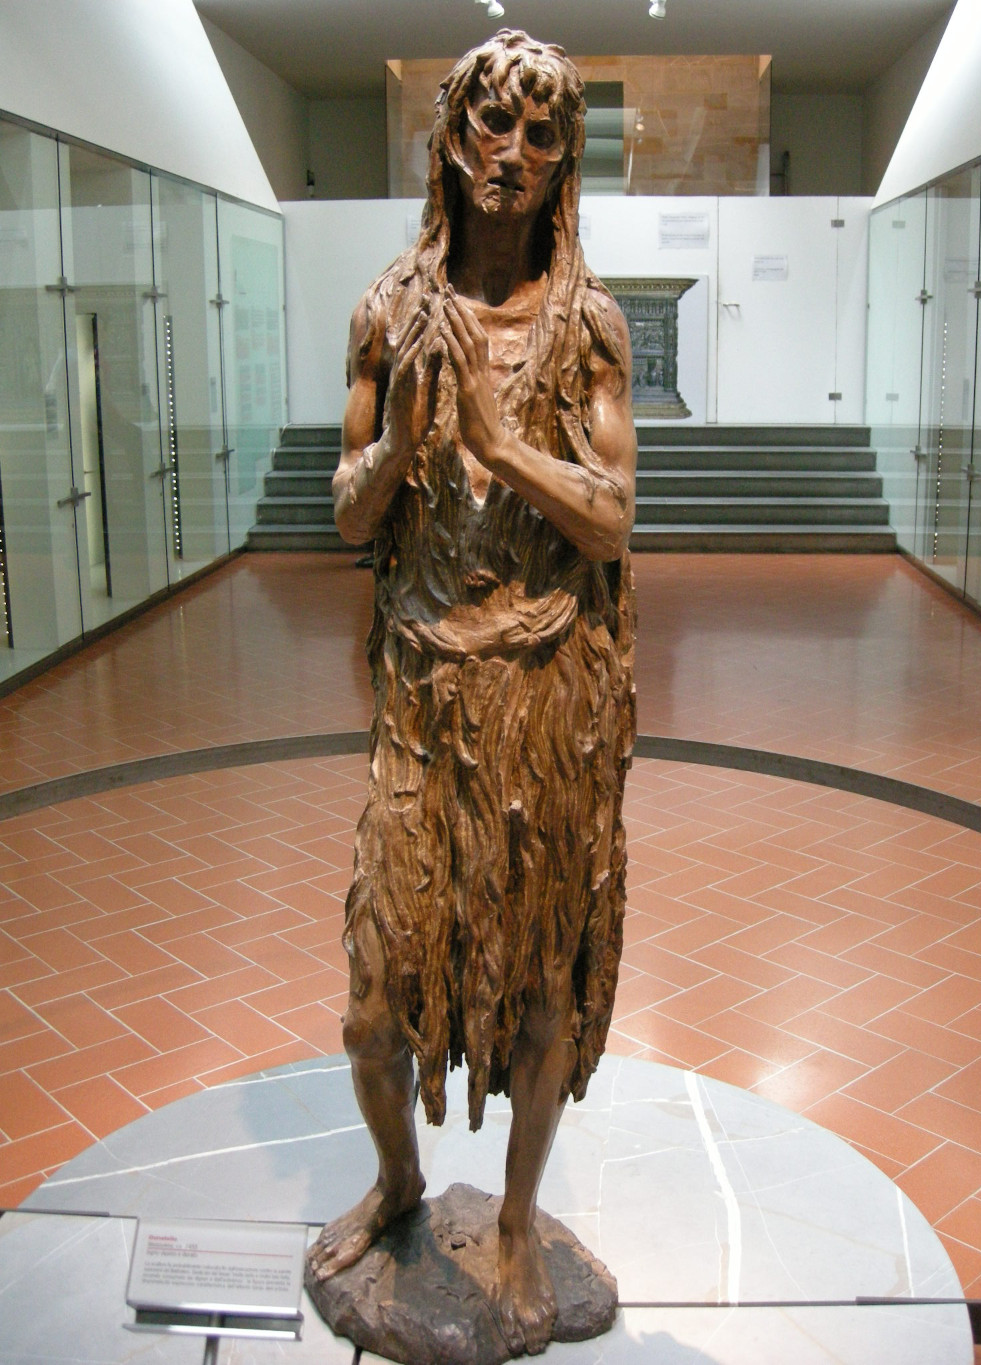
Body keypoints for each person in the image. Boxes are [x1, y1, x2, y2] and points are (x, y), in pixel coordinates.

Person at [307, 30, 637, 1356]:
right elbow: (348, 513)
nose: (511, 153)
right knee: (373, 1002)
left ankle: (514, 1218)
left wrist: (501, 442)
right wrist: (399, 442)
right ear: (451, 139)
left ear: (565, 161)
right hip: (422, 702)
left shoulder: (588, 324)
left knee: (545, 981)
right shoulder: (390, 310)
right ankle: (398, 1182)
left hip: (544, 697)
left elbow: (612, 516)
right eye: (491, 125)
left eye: (540, 134)